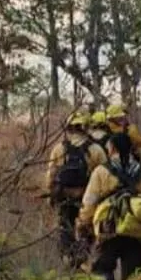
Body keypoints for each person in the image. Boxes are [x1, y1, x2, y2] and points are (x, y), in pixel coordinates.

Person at [76, 132, 141, 280]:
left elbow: (89, 202)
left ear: (112, 148)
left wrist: (83, 224)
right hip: (137, 234)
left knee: (101, 275)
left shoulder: (101, 172)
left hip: (108, 231)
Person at [44, 112, 106, 267]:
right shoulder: (96, 149)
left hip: (64, 195)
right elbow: (104, 175)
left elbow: (51, 173)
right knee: (87, 227)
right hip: (86, 196)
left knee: (65, 225)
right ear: (85, 127)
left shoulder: (59, 148)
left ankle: (69, 257)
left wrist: (50, 193)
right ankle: (82, 255)